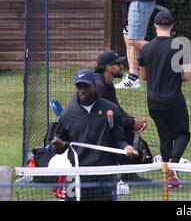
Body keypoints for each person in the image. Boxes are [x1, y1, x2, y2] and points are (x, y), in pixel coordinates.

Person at [52, 69, 138, 201]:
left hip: (104, 174)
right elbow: (60, 146)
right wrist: (58, 145)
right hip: (76, 174)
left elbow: (118, 139)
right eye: (79, 87)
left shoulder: (110, 109)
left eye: (86, 86)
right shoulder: (67, 115)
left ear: (94, 87)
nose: (82, 90)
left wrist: (126, 147)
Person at [139, 10, 191, 188]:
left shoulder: (146, 49)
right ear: (172, 26)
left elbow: (144, 77)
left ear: (154, 26)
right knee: (183, 134)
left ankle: (169, 176)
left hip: (153, 102)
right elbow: (187, 76)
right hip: (173, 100)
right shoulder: (180, 46)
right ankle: (173, 162)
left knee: (165, 137)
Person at [94, 50, 151, 182]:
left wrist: (132, 120)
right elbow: (107, 116)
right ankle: (123, 173)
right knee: (121, 128)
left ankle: (128, 174)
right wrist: (130, 123)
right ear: (108, 67)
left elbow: (116, 109)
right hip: (95, 128)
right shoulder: (99, 86)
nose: (122, 67)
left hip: (104, 122)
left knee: (126, 128)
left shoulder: (108, 84)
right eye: (118, 64)